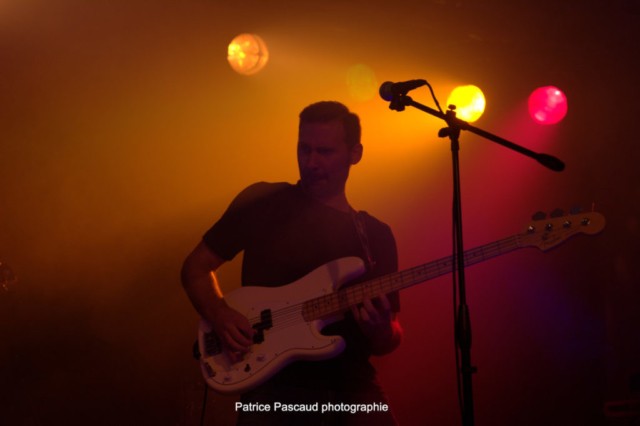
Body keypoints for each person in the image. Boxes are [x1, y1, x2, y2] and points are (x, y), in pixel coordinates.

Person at [181, 101, 402, 426]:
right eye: (304, 150)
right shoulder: (263, 202)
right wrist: (219, 313)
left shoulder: (376, 234)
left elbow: (389, 338)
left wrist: (382, 329)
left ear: (355, 153)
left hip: (353, 390)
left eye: (324, 152)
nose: (311, 162)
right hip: (273, 390)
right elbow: (195, 269)